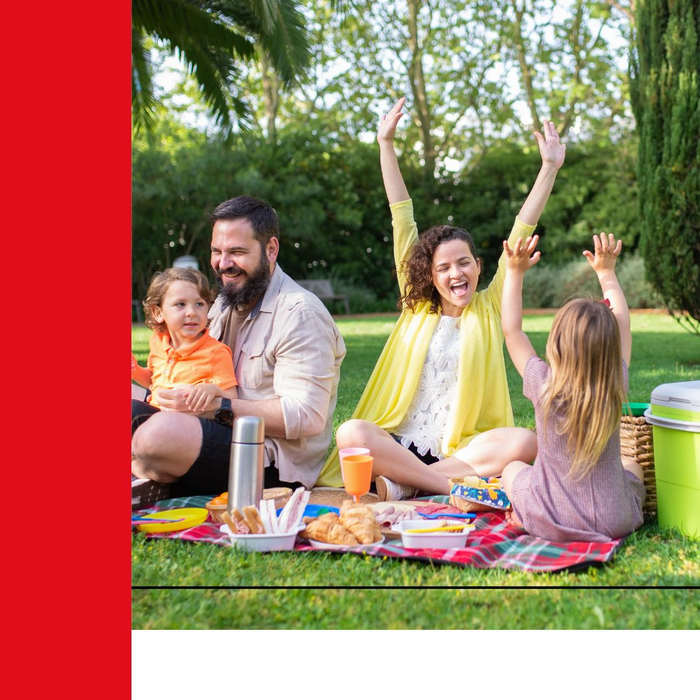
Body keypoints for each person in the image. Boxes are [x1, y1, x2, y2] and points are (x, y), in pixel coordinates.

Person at [325, 96, 566, 500]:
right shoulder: (416, 305)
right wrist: (386, 145)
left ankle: (406, 483)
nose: (456, 273)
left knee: (526, 441)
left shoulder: (490, 307)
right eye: (444, 267)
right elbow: (401, 215)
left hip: (460, 452)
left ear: (478, 265)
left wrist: (549, 168)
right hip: (398, 440)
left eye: (464, 262)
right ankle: (440, 486)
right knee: (351, 432)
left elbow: (523, 227)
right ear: (430, 276)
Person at [131, 195, 346, 497]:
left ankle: (151, 471)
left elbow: (307, 417)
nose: (223, 264)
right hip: (206, 430)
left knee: (155, 438)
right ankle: (153, 473)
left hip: (268, 461)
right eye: (216, 252)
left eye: (237, 252)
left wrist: (218, 407)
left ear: (271, 249)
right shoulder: (223, 301)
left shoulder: (300, 313)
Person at [499, 232, 645, 542]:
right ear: (610, 349)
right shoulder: (614, 381)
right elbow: (623, 324)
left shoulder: (544, 384)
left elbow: (512, 332)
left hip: (549, 518)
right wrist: (606, 273)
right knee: (632, 465)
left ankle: (522, 514)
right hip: (613, 519)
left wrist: (514, 273)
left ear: (557, 344)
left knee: (512, 469)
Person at [131, 267, 238, 440]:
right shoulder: (158, 341)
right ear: (158, 313)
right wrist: (135, 370)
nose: (191, 312)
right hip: (156, 415)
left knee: (132, 411)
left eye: (199, 304)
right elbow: (153, 380)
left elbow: (232, 398)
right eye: (180, 304)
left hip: (188, 428)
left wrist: (210, 390)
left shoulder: (216, 352)